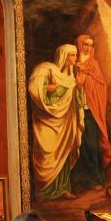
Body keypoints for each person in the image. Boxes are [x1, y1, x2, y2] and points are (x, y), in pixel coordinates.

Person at [28, 44, 85, 200]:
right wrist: (48, 88)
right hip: (48, 120)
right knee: (48, 153)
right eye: (72, 55)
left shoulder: (71, 79)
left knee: (64, 152)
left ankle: (63, 188)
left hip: (65, 121)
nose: (75, 58)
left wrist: (79, 86)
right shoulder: (48, 70)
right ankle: (44, 191)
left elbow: (79, 102)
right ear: (63, 56)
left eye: (76, 55)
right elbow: (35, 91)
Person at [70, 34, 109, 191]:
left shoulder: (94, 63)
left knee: (92, 144)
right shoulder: (72, 60)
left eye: (91, 45)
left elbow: (101, 85)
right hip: (74, 109)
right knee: (79, 144)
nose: (88, 48)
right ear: (80, 44)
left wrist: (86, 75)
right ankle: (83, 180)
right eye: (85, 44)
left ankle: (97, 178)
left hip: (90, 110)